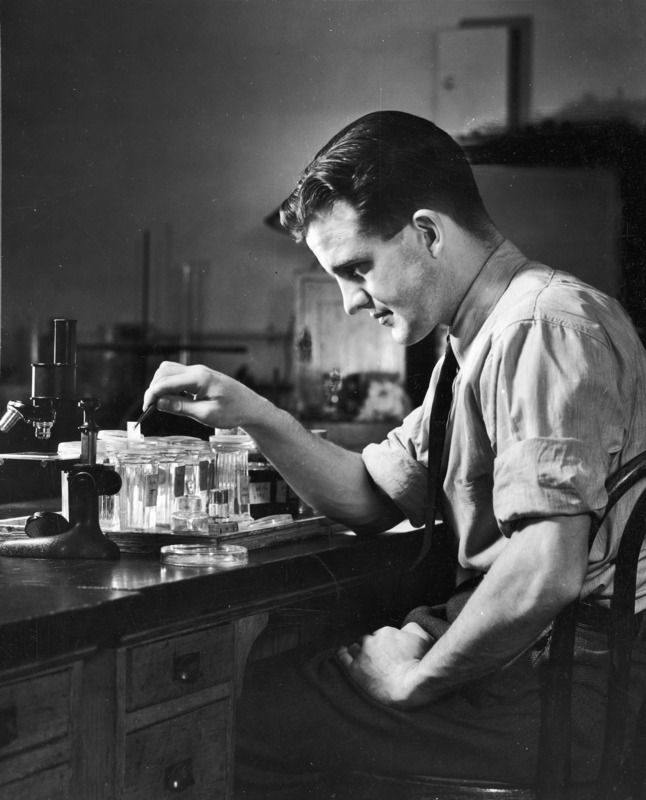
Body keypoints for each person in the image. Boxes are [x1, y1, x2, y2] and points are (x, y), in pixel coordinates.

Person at [142, 111, 646, 796]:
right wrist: (250, 412)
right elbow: (370, 497)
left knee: (225, 718)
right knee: (269, 686)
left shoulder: (542, 327)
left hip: (561, 687)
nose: (350, 302)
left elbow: (543, 573)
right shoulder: (479, 338)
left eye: (357, 268)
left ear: (428, 232)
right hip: (535, 664)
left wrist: (414, 680)